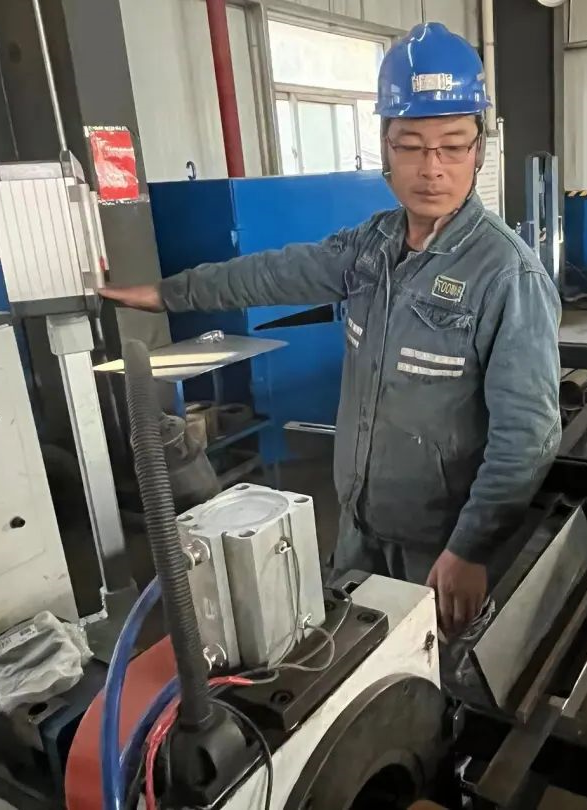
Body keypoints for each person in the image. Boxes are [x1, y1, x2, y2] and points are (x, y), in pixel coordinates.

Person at [100, 22, 561, 637]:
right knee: (350, 662)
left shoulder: (506, 275)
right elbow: (273, 274)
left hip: (441, 546)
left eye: (453, 146)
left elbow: (526, 435)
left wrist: (472, 547)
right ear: (384, 148)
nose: (432, 169)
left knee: (437, 677)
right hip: (358, 527)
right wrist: (167, 293)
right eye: (410, 146)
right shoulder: (372, 247)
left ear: (478, 149)